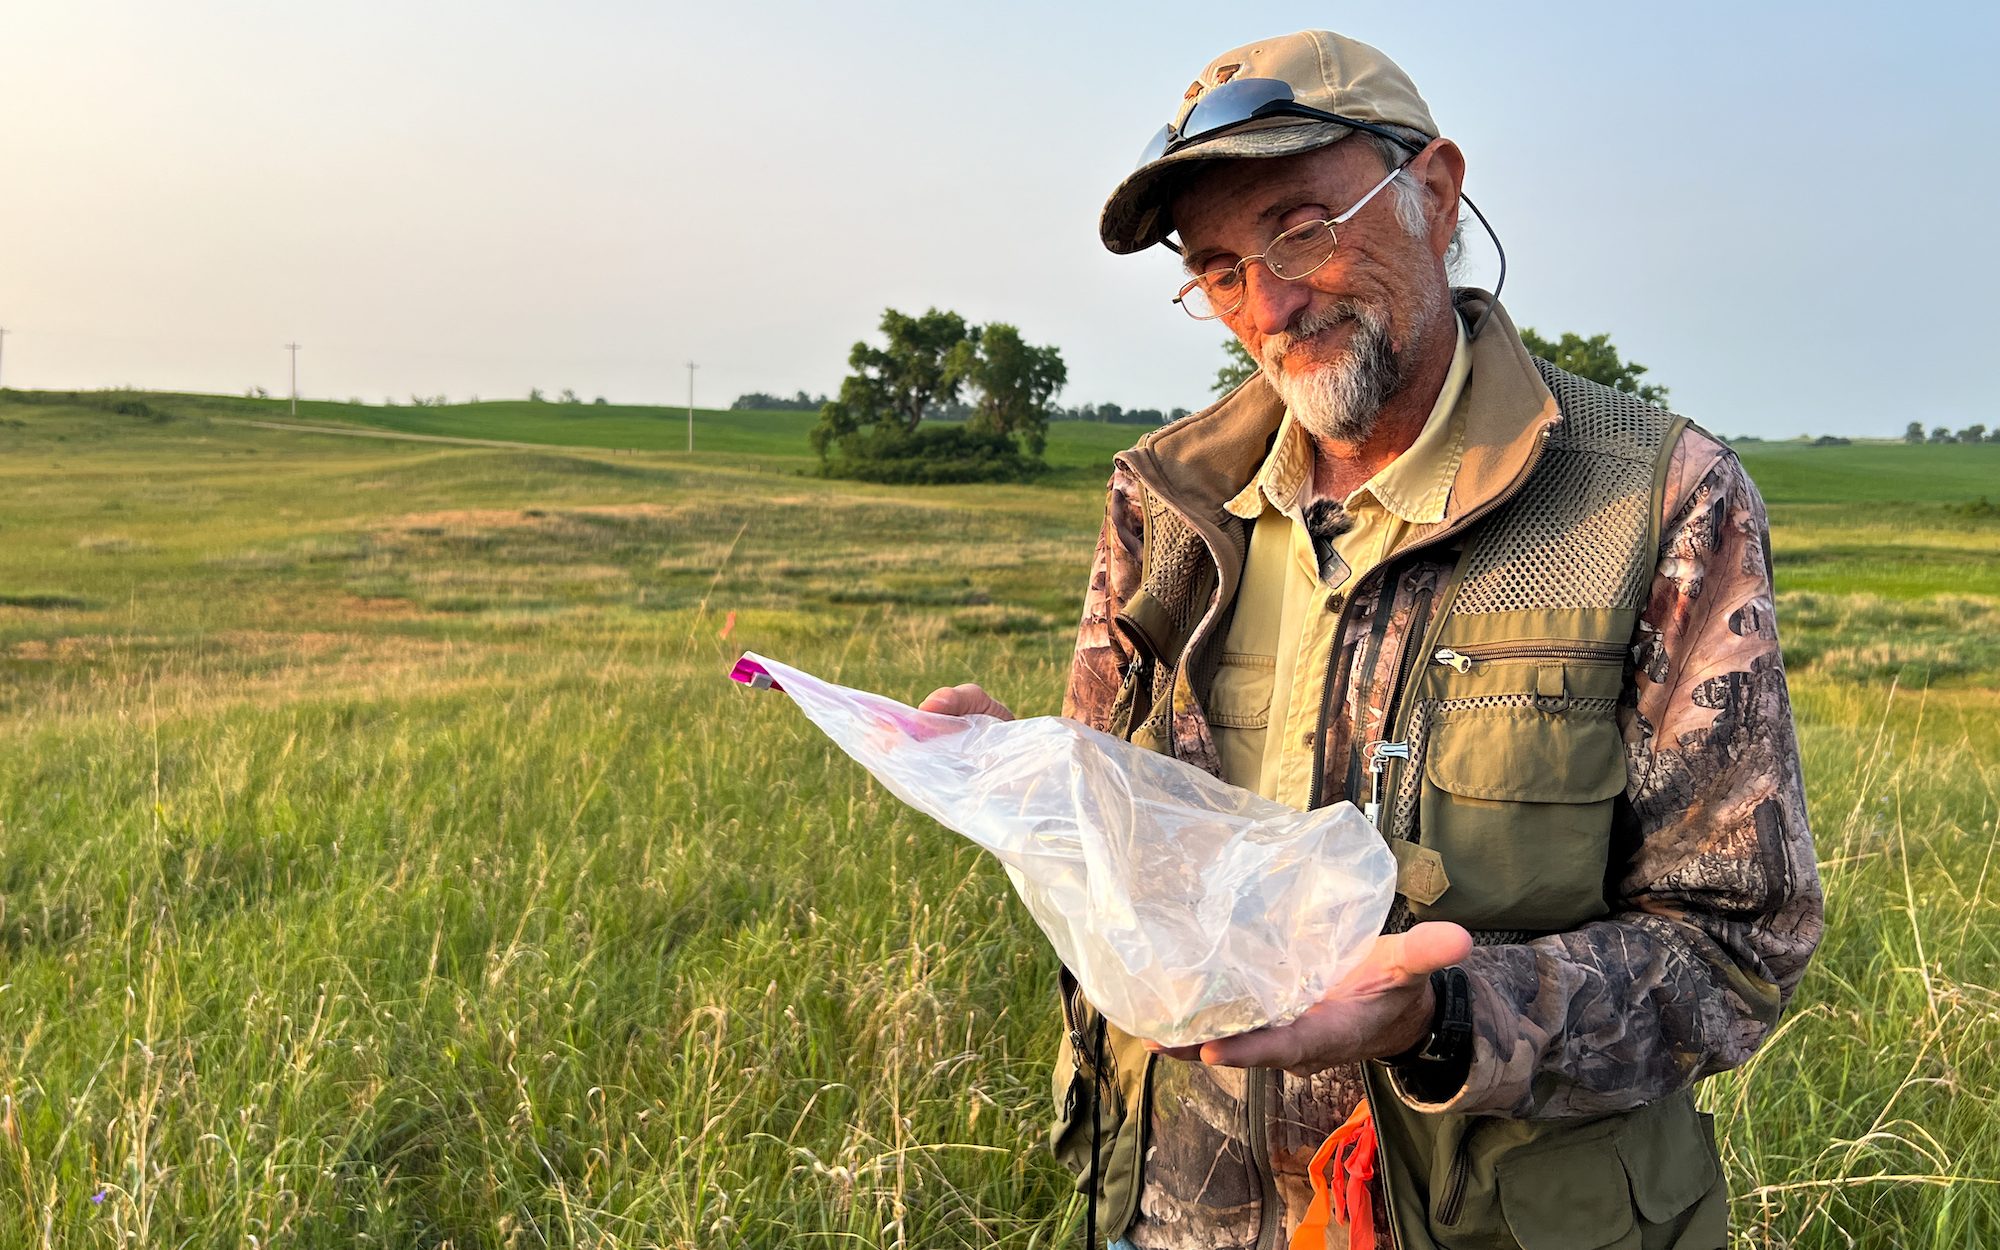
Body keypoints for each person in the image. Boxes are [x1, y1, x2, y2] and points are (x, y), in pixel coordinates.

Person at [922, 28, 1821, 1250]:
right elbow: (1123, 852)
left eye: (1299, 229)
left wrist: (1440, 1014)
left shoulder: (1653, 501)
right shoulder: (1166, 502)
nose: (1268, 304)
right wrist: (1024, 787)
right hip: (1183, 1211)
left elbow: (1735, 947)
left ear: (1434, 194)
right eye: (1219, 269)